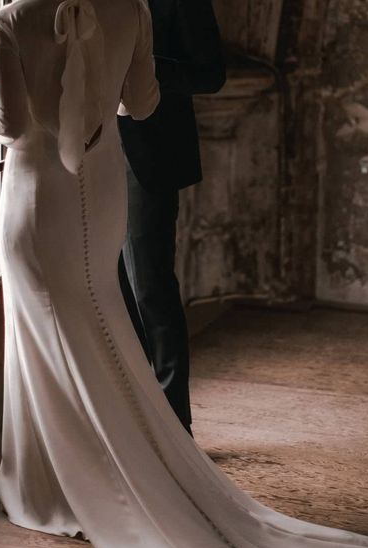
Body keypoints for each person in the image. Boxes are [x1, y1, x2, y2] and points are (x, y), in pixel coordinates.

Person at [0, 0, 368, 548]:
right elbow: (144, 105)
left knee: (49, 332)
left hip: (39, 192)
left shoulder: (9, 19)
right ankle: (94, 467)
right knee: (100, 323)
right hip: (100, 190)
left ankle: (49, 483)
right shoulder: (130, 7)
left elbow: (12, 126)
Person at [117, 0, 226, 435]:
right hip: (87, 152)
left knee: (150, 286)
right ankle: (127, 413)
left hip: (150, 153)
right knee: (112, 291)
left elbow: (212, 74)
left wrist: (142, 66)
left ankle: (174, 423)